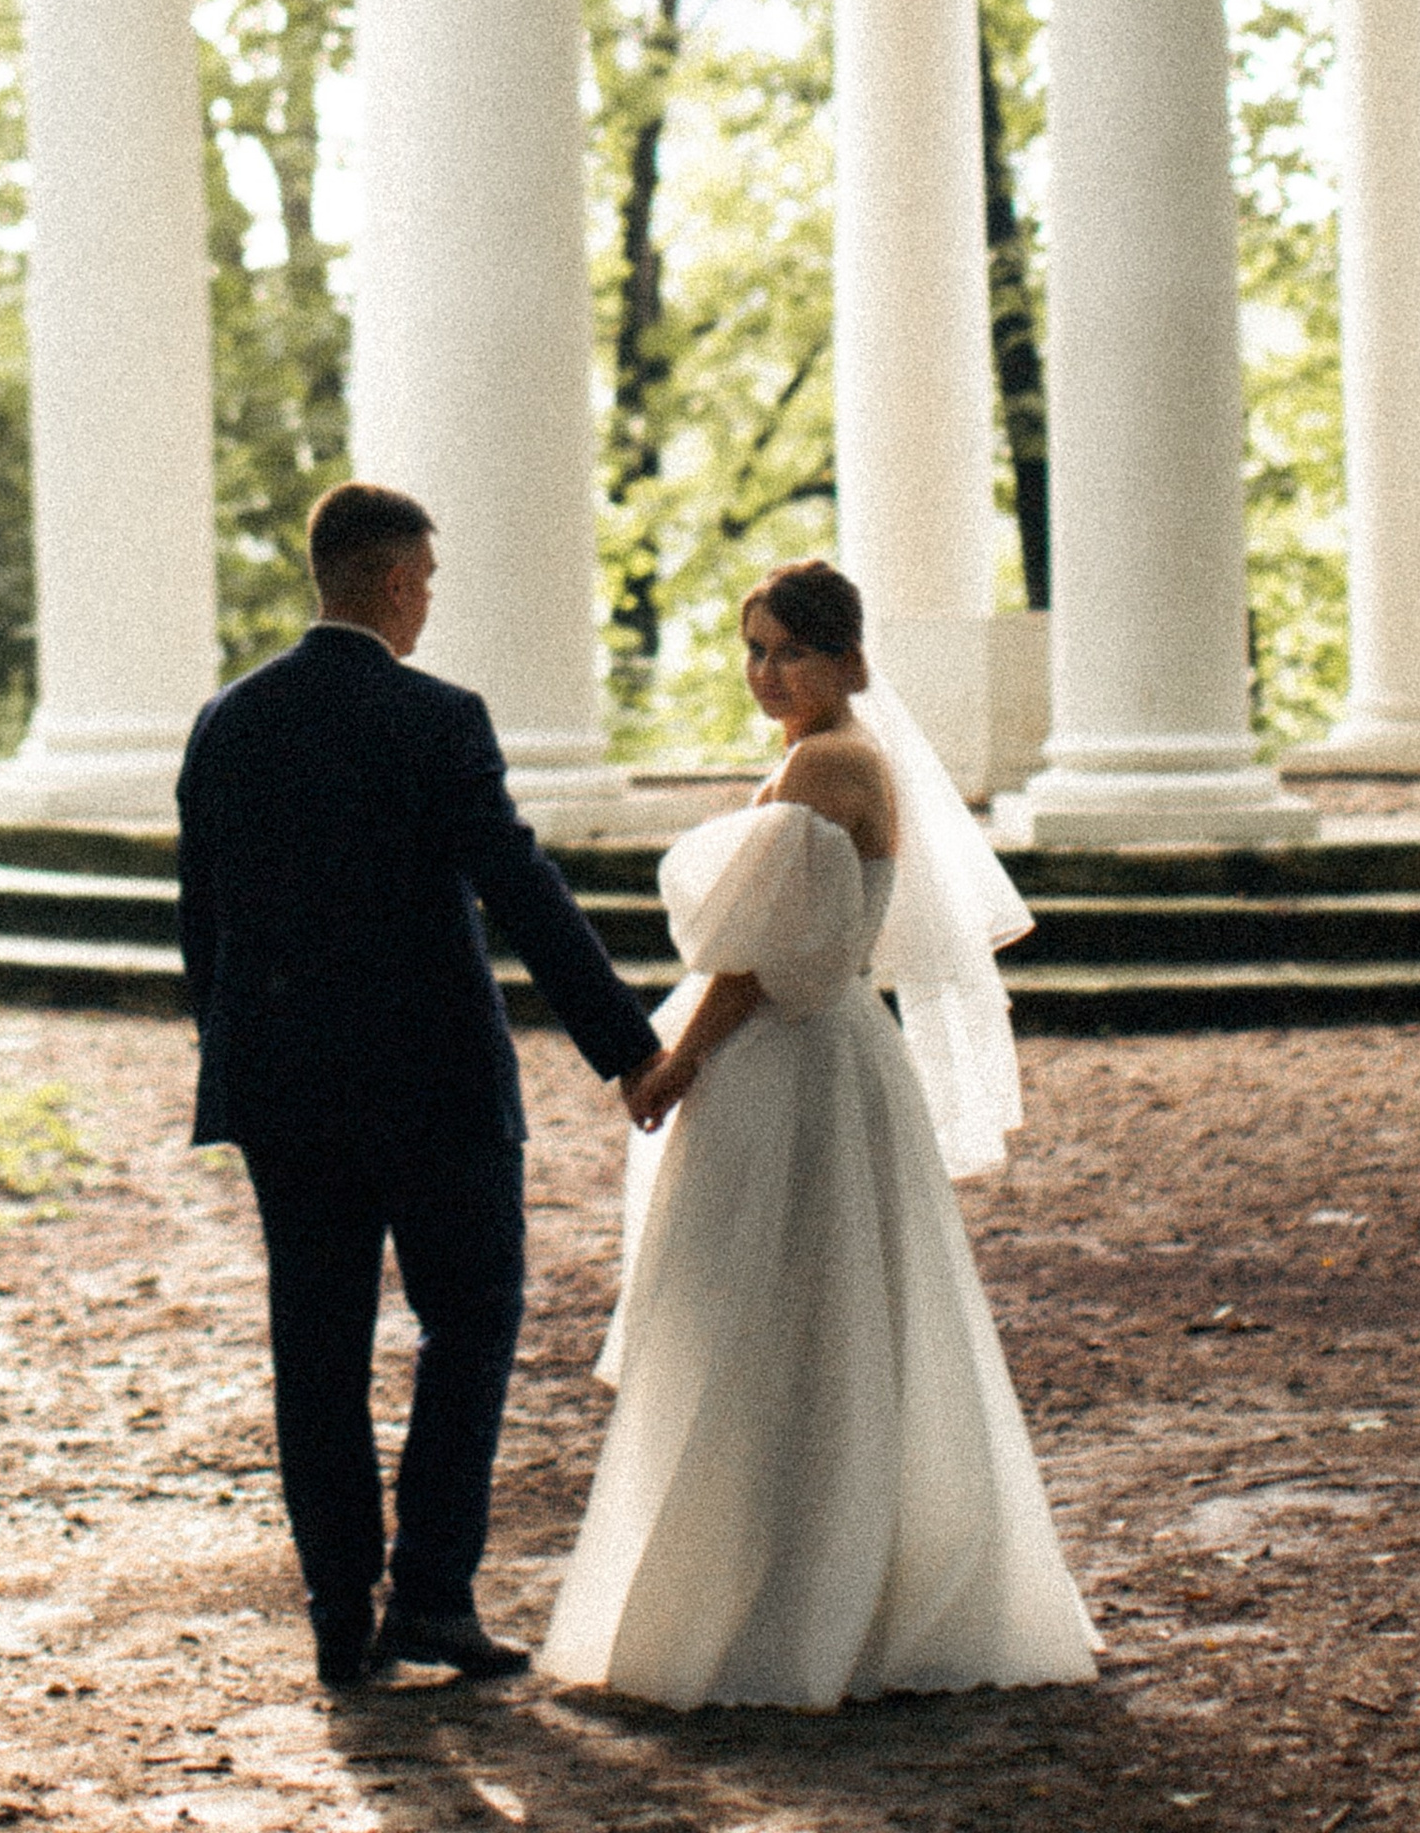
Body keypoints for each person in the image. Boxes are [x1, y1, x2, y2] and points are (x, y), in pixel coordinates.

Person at [539, 557, 1099, 1710]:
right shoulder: (831, 755)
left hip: (792, 1060)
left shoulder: (830, 763)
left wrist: (678, 1062)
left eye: (790, 650)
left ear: (847, 659)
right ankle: (807, 1578)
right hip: (827, 1053)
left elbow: (760, 960)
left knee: (762, 1309)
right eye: (754, 649)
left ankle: (782, 1601)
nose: (766, 670)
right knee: (812, 1309)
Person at [177, 480, 668, 1692]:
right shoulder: (437, 717)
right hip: (433, 1085)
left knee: (317, 1345)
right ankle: (434, 1597)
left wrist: (236, 1060)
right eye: (429, 581)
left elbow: (203, 925)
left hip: (286, 1089)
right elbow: (520, 887)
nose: (429, 601)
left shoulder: (227, 721)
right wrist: (628, 1044)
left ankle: (339, 1613)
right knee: (472, 1319)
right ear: (397, 582)